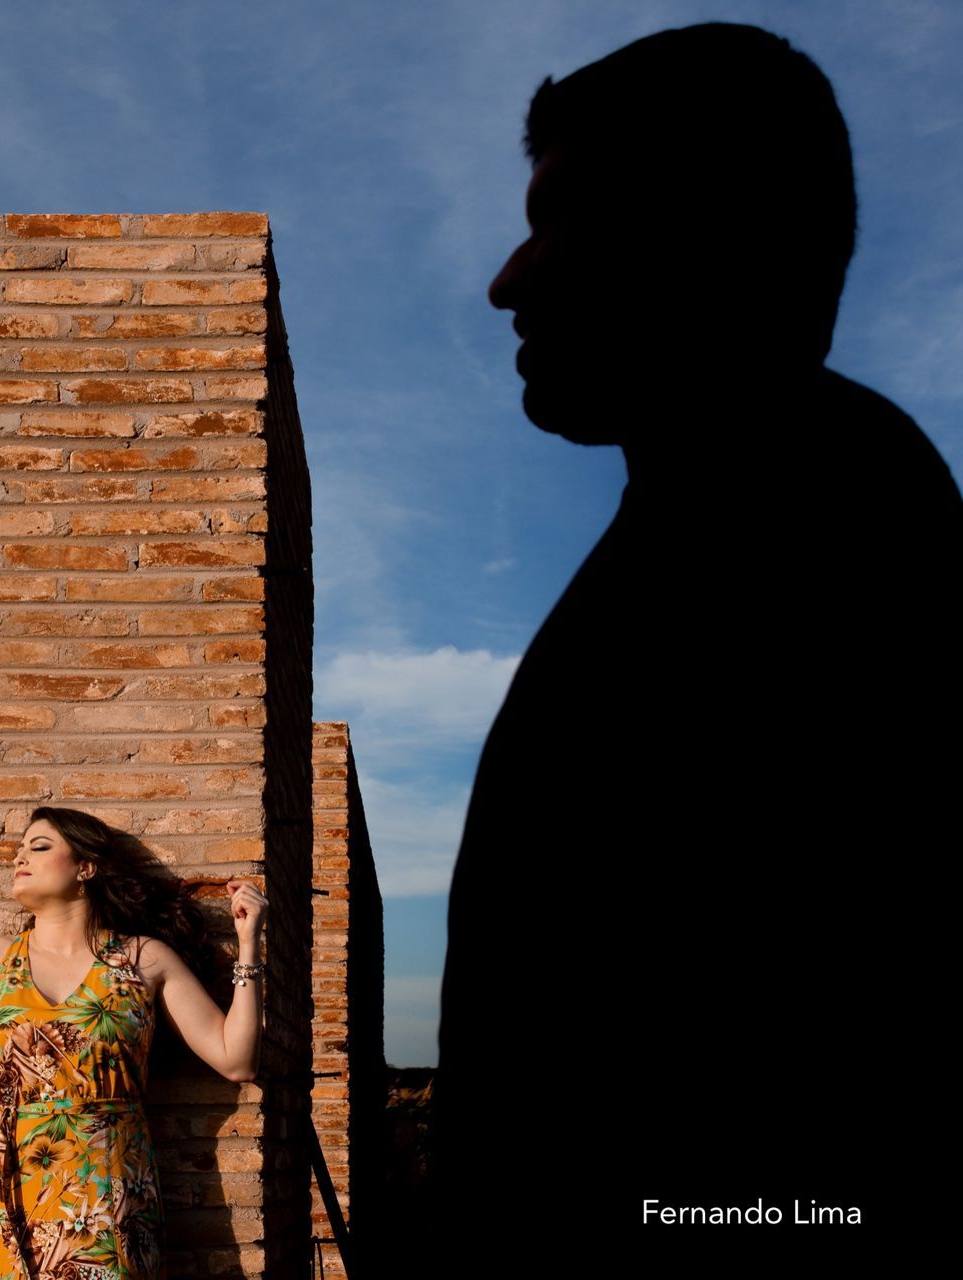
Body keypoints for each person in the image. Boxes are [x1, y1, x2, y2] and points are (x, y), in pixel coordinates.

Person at [432, 23, 960, 1274]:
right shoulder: (738, 515)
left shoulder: (813, 532)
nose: (512, 278)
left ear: (704, 226)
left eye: (561, 220)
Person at [0, 807, 268, 1280]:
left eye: (39, 847)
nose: (20, 858)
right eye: (19, 849)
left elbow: (237, 1060)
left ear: (86, 867)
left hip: (112, 1195)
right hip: (14, 1195)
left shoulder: (143, 960)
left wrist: (249, 944)